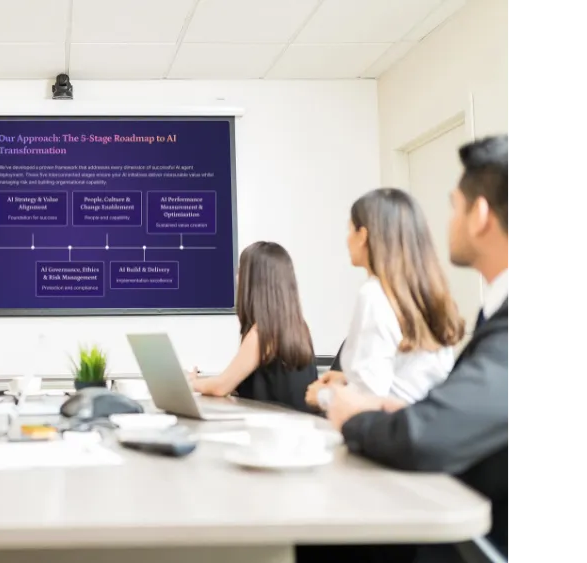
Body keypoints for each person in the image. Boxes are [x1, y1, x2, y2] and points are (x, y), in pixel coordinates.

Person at [320, 135, 514, 562]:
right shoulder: (494, 313)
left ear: (479, 215)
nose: (446, 223)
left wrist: (355, 415)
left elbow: (424, 440)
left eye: (453, 206)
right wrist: (401, 413)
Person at [306, 188, 464, 410]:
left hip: (392, 436)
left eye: (350, 229)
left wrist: (323, 396)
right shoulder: (427, 296)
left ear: (364, 236)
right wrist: (346, 380)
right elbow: (405, 377)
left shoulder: (374, 294)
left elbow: (369, 399)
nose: (347, 239)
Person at [189, 241, 318, 412]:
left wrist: (190, 383)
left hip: (279, 432)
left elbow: (222, 386)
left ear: (254, 281)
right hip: (298, 428)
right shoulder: (297, 327)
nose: (236, 278)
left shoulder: (264, 334)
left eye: (240, 271)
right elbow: (237, 381)